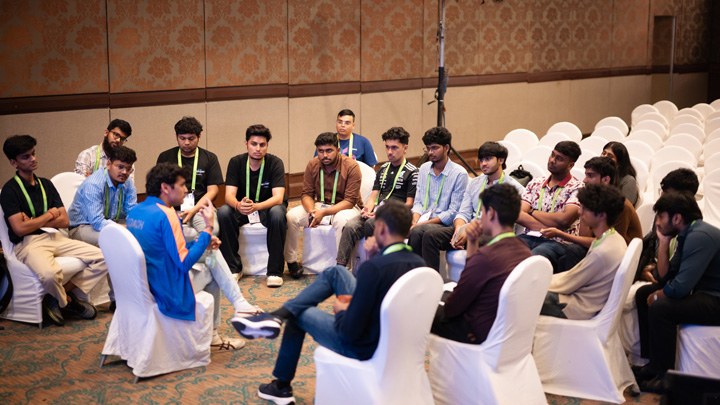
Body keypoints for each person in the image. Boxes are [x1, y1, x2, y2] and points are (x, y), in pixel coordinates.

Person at [231, 200, 426, 404]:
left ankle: (281, 385)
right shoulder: (419, 265)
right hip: (396, 341)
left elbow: (351, 330)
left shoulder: (374, 268)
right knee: (337, 272)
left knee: (300, 314)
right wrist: (374, 258)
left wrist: (342, 310)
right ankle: (278, 316)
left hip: (364, 345)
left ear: (382, 229)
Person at [127, 163, 272, 352]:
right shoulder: (167, 215)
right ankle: (223, 323)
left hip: (144, 284)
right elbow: (183, 263)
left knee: (211, 254)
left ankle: (238, 306)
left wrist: (203, 243)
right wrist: (208, 229)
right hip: (168, 290)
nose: (186, 190)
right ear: (165, 188)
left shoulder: (136, 211)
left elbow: (166, 249)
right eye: (182, 185)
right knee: (214, 271)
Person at [1, 135, 107, 326]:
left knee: (103, 257)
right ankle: (69, 302)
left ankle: (58, 295)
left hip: (55, 238)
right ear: (13, 162)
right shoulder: (10, 190)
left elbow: (64, 221)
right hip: (29, 244)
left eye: (33, 154)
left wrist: (33, 221)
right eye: (26, 157)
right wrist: (49, 215)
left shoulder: (46, 185)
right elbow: (19, 228)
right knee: (49, 274)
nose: (33, 159)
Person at [633, 192, 720, 393]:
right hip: (704, 293)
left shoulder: (699, 236)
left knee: (661, 308)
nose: (657, 222)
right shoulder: (687, 234)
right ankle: (652, 363)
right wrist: (663, 243)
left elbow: (680, 288)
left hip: (716, 298)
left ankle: (665, 377)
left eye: (661, 216)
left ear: (677, 218)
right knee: (643, 293)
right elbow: (664, 277)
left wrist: (658, 296)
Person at [431, 184, 531, 344]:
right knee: (446, 285)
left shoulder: (487, 257)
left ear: (491, 213)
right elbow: (473, 277)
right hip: (506, 330)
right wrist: (472, 241)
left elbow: (451, 308)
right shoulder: (524, 249)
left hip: (477, 332)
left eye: (482, 212)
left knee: (422, 306)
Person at [420, 142, 524, 271]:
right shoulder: (475, 183)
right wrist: (459, 231)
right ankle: (432, 279)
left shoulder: (514, 188)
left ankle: (475, 279)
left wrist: (469, 232)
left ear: (501, 160)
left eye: (488, 159)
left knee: (479, 239)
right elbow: (463, 213)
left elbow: (501, 222)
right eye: (481, 160)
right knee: (430, 236)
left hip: (492, 233)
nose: (483, 163)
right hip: (468, 229)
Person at [540, 183, 627, 320]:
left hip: (578, 306)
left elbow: (569, 283)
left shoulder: (602, 252)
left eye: (585, 209)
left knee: (524, 295)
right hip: (585, 300)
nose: (579, 212)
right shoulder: (613, 237)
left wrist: (537, 283)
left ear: (602, 215)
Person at [541, 157, 643, 272]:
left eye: (590, 176)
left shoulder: (620, 205)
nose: (584, 180)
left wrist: (561, 234)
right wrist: (584, 205)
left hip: (618, 260)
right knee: (562, 259)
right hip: (599, 248)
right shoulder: (595, 200)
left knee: (574, 250)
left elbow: (607, 244)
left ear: (605, 180)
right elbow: (585, 237)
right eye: (586, 175)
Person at [336, 126, 417, 269]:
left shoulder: (412, 172)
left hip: (396, 215)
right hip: (377, 212)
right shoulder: (383, 169)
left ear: (405, 148)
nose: (389, 152)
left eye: (394, 147)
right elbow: (373, 197)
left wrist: (383, 212)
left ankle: (373, 267)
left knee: (371, 224)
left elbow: (409, 204)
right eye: (387, 147)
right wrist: (367, 208)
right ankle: (341, 268)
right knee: (349, 227)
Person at [217, 125, 288, 287]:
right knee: (224, 212)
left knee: (278, 213)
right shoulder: (236, 162)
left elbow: (278, 198)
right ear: (246, 144)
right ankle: (233, 268)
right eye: (253, 144)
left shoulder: (275, 163)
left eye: (262, 145)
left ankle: (275, 271)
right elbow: (228, 196)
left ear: (267, 146)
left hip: (267, 207)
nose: (258, 149)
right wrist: (238, 205)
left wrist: (257, 206)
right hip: (243, 207)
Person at [285, 132, 363, 277]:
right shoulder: (312, 164)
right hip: (320, 205)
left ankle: (343, 268)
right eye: (320, 151)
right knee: (291, 216)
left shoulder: (351, 166)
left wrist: (324, 213)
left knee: (341, 220)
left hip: (345, 207)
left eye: (329, 151)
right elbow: (306, 194)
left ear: (338, 150)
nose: (324, 155)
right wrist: (311, 211)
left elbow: (350, 201)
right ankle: (291, 262)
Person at [516, 141, 583, 272]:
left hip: (559, 242)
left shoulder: (578, 187)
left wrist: (532, 211)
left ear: (571, 165)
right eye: (552, 155)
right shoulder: (535, 182)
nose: (552, 160)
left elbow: (564, 220)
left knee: (531, 260)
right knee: (501, 251)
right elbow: (519, 215)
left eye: (559, 159)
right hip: (529, 236)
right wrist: (552, 227)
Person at [156, 116, 224, 241]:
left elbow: (213, 191)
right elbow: (159, 189)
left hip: (200, 207)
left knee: (212, 230)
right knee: (159, 230)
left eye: (191, 138)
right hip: (172, 208)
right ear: (176, 137)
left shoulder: (210, 158)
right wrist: (170, 210)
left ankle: (194, 252)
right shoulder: (165, 157)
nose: (186, 142)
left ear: (199, 137)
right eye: (182, 138)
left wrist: (194, 210)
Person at [408, 127, 468, 260]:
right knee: (405, 228)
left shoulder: (459, 174)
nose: (430, 152)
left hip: (445, 225)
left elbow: (453, 212)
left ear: (446, 147)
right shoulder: (424, 169)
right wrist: (414, 221)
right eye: (428, 148)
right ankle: (413, 270)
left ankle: (421, 271)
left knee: (418, 232)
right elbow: (418, 202)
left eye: (435, 148)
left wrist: (419, 225)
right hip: (423, 221)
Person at [636, 168, 699, 282]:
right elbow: (652, 247)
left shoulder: (693, 228)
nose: (661, 198)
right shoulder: (662, 214)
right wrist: (644, 270)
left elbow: (678, 274)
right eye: (662, 192)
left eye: (667, 194)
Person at [68, 146, 138, 247]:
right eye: (120, 167)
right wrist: (123, 228)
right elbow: (97, 223)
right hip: (83, 227)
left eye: (128, 169)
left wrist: (139, 225)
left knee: (142, 235)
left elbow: (132, 211)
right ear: (109, 164)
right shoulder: (94, 184)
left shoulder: (128, 182)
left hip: (111, 221)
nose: (124, 172)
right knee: (115, 239)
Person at [601, 141, 638, 206]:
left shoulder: (628, 180)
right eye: (604, 153)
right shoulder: (600, 173)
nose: (604, 157)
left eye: (610, 155)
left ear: (619, 161)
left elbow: (625, 208)